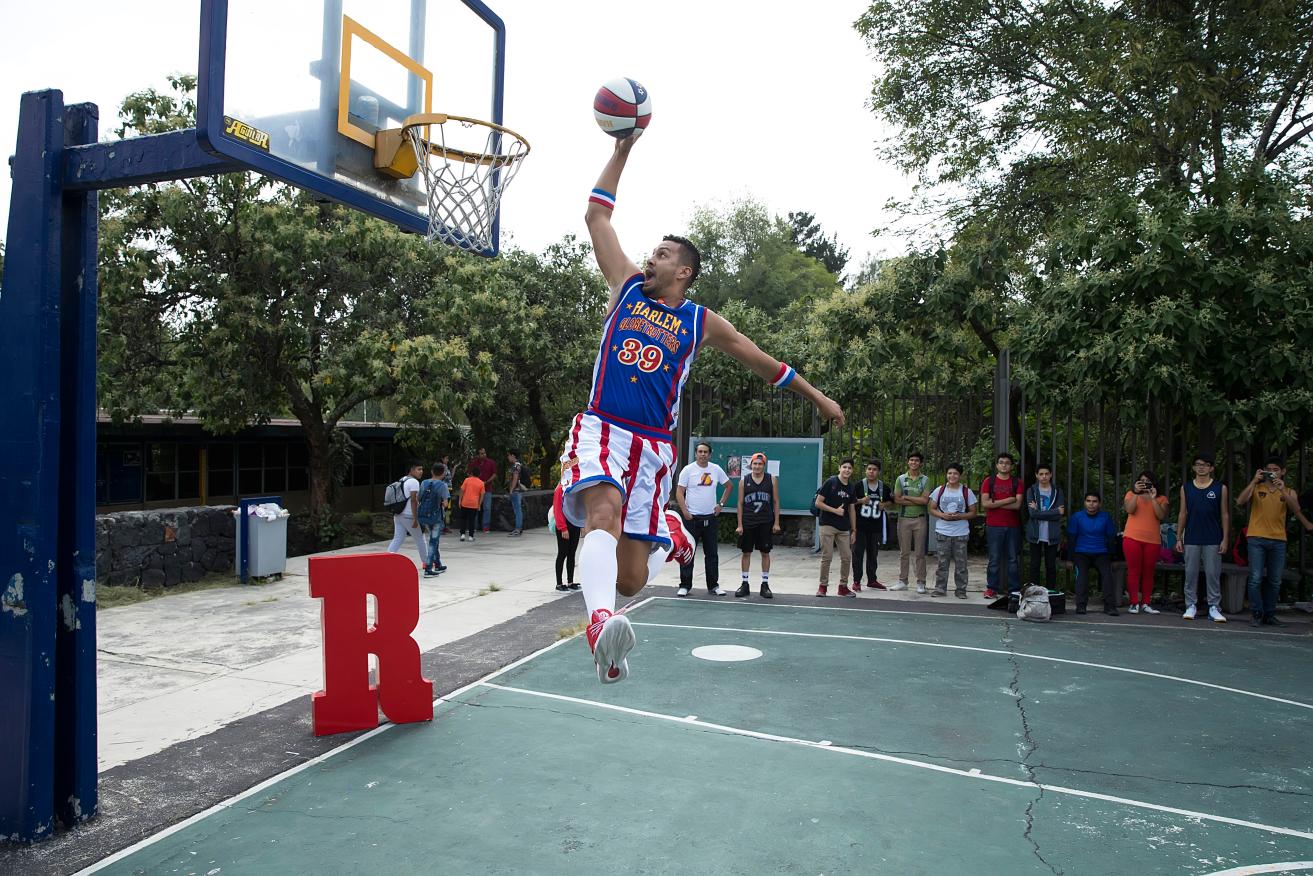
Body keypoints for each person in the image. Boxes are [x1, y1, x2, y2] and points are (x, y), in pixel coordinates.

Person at [564, 133, 844, 683]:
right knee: (602, 515)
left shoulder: (701, 322)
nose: (651, 257)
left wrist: (816, 396)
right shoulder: (626, 287)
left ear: (684, 272)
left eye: (663, 254)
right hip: (603, 427)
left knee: (631, 580)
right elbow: (597, 216)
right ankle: (599, 626)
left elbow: (766, 364)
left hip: (653, 448)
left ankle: (669, 534)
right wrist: (622, 150)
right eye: (652, 252)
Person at [1235, 455, 1313, 627]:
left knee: (1275, 580)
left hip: (1278, 539)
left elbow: (1296, 509)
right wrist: (1254, 481)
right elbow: (1240, 501)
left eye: (1275, 470)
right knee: (1255, 578)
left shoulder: (1289, 491)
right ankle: (1257, 613)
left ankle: (1269, 614)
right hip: (1256, 537)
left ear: (1283, 472)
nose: (1272, 473)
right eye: (1268, 470)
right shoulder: (1257, 487)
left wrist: (1282, 490)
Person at [1173, 453, 1229, 622]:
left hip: (1213, 537)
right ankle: (1190, 605)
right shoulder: (1186, 488)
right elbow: (1183, 513)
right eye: (1198, 464)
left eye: (1205, 464)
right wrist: (1178, 537)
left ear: (1211, 468)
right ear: (1193, 467)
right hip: (1192, 536)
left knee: (1213, 574)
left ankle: (1214, 606)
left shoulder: (1220, 488)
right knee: (1190, 573)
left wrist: (1225, 539)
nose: (1201, 467)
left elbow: (1224, 514)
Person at [675, 442, 733, 597]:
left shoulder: (716, 469)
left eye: (705, 452)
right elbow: (679, 492)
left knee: (712, 554)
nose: (702, 454)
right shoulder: (688, 470)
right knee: (688, 553)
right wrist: (685, 511)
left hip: (710, 518)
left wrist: (720, 504)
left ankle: (713, 586)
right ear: (696, 453)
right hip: (691, 519)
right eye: (700, 451)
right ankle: (685, 585)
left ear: (710, 454)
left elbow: (729, 486)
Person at [1122, 470, 1169, 614]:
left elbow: (1160, 515)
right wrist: (1136, 493)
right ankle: (1134, 602)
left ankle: (1146, 603)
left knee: (1149, 572)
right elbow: (1129, 509)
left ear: (1153, 483)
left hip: (1152, 540)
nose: (1145, 484)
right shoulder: (1131, 494)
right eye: (1142, 481)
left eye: (1148, 481)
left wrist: (1153, 498)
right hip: (1132, 538)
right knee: (1133, 571)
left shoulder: (1161, 498)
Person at [928, 463, 977, 598]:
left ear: (960, 475)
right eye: (950, 473)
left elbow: (973, 512)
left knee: (961, 564)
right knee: (942, 563)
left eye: (955, 473)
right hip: (943, 532)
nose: (952, 476)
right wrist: (942, 515)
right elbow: (931, 508)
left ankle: (961, 590)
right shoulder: (940, 490)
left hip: (961, 533)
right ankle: (940, 589)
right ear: (946, 475)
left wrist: (960, 516)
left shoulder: (966, 492)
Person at [735, 452, 779, 599]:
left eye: (760, 464)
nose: (757, 466)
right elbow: (740, 503)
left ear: (764, 465)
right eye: (755, 464)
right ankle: (744, 583)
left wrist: (776, 522)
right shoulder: (744, 481)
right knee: (746, 552)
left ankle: (765, 584)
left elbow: (776, 502)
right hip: (748, 521)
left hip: (765, 521)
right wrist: (740, 524)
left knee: (765, 552)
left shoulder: (771, 480)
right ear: (751, 465)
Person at [980, 452, 1023, 600]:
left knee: (1013, 559)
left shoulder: (1017, 482)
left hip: (1012, 526)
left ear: (1011, 466)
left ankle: (1014, 590)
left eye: (1007, 463)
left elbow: (1017, 505)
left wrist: (996, 504)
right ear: (997, 465)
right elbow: (985, 504)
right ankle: (992, 588)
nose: (1004, 465)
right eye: (1001, 462)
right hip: (994, 525)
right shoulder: (989, 481)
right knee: (994, 558)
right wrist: (1008, 500)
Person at [1067, 492, 1119, 615]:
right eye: (1088, 501)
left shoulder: (1105, 517)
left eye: (1095, 501)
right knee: (1081, 576)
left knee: (1107, 575)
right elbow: (1071, 539)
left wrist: (1114, 558)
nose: (1091, 504)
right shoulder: (1077, 517)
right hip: (1081, 552)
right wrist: (1069, 559)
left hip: (1101, 552)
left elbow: (1111, 538)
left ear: (1099, 504)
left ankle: (1110, 606)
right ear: (1085, 503)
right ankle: (1081, 606)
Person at [815, 459, 859, 597]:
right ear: (839, 468)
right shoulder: (831, 482)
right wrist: (835, 510)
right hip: (827, 524)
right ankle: (822, 587)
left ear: (852, 470)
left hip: (844, 527)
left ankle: (843, 587)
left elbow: (852, 509)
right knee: (827, 556)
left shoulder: (851, 487)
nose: (847, 470)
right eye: (844, 467)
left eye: (849, 468)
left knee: (847, 557)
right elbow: (818, 503)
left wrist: (854, 530)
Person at [892, 452, 930, 592]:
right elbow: (897, 499)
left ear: (921, 463)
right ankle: (903, 581)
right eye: (911, 460)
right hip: (904, 519)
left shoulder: (925, 480)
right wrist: (916, 500)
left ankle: (921, 582)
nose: (914, 462)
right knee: (904, 552)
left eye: (917, 460)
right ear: (908, 462)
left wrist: (907, 497)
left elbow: (925, 500)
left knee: (920, 553)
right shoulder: (901, 479)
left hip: (920, 519)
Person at [1024, 464, 1066, 592]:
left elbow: (1060, 513)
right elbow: (1032, 514)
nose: (1044, 477)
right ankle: (1034, 592)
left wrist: (1039, 512)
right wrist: (1054, 512)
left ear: (1051, 475)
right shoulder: (1031, 491)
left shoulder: (1057, 491)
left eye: (1047, 474)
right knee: (1035, 565)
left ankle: (1050, 592)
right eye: (1041, 474)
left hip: (1051, 533)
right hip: (1035, 533)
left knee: (1051, 565)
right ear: (1036, 475)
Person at [853, 460, 890, 591]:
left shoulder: (884, 487)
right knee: (857, 554)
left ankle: (872, 580)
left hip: (876, 527)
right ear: (865, 470)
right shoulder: (858, 486)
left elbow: (891, 501)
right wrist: (860, 501)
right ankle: (856, 581)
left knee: (873, 554)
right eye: (869, 469)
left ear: (878, 471)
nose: (871, 472)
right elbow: (850, 502)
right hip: (860, 526)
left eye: (874, 469)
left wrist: (884, 505)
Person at [386, 461, 429, 567]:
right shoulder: (414, 482)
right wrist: (415, 518)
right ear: (411, 470)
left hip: (398, 514)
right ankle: (426, 562)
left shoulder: (403, 479)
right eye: (418, 469)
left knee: (398, 538)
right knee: (420, 538)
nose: (421, 472)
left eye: (421, 469)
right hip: (409, 515)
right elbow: (414, 500)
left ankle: (386, 559)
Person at [417, 462, 450, 578]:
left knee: (434, 540)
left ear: (432, 471)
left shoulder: (424, 483)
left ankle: (438, 564)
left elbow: (418, 498)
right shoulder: (443, 485)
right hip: (436, 518)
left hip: (424, 516)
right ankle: (428, 568)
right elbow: (445, 504)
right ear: (443, 473)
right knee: (433, 542)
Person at [548, 482, 582, 592]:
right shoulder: (560, 489)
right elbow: (557, 509)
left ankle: (570, 582)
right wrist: (563, 528)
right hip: (564, 525)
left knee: (572, 553)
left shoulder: (575, 487)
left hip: (575, 524)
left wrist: (581, 524)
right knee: (562, 553)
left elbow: (578, 506)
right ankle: (559, 583)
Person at [468, 447, 497, 533]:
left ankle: (486, 527)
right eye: (481, 453)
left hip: (487, 488)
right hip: (475, 489)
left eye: (484, 453)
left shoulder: (491, 462)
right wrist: (476, 481)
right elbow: (469, 474)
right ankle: (473, 526)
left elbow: (494, 474)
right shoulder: (473, 463)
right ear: (478, 455)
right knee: (474, 507)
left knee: (487, 508)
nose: (484, 455)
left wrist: (487, 482)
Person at [458, 470, 486, 542]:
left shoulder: (467, 480)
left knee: (463, 519)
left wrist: (460, 500)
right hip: (474, 504)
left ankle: (462, 534)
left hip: (465, 502)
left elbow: (462, 490)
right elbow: (482, 495)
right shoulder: (481, 483)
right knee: (472, 520)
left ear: (472, 473)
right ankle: (471, 536)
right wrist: (479, 504)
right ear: (479, 474)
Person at [506, 450, 526, 536]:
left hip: (516, 491)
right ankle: (518, 528)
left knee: (517, 510)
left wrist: (511, 489)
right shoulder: (518, 465)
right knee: (518, 510)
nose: (508, 457)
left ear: (513, 455)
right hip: (518, 490)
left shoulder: (516, 466)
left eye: (509, 455)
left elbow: (515, 478)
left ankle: (518, 529)